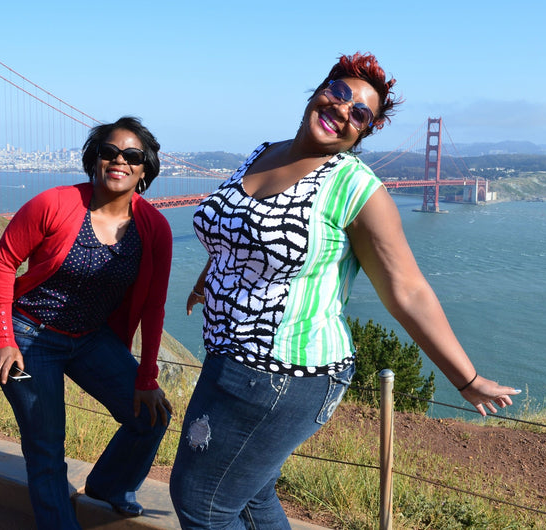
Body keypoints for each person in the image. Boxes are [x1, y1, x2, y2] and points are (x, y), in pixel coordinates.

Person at [168, 52, 521, 528]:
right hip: (227, 357)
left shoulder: (356, 188)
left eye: (361, 114)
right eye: (339, 94)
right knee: (250, 497)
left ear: (363, 133)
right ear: (319, 90)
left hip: (286, 372)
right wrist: (208, 278)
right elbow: (237, 229)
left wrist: (466, 378)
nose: (343, 111)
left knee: (201, 500)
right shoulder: (262, 151)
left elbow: (407, 290)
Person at [0, 116, 173, 529]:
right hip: (30, 336)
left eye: (132, 155)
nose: (118, 160)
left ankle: (110, 485)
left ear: (145, 169)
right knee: (46, 448)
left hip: (90, 338)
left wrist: (146, 377)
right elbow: (4, 263)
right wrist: (3, 338)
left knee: (151, 415)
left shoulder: (154, 227)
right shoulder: (53, 203)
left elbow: (155, 307)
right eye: (109, 152)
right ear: (95, 160)